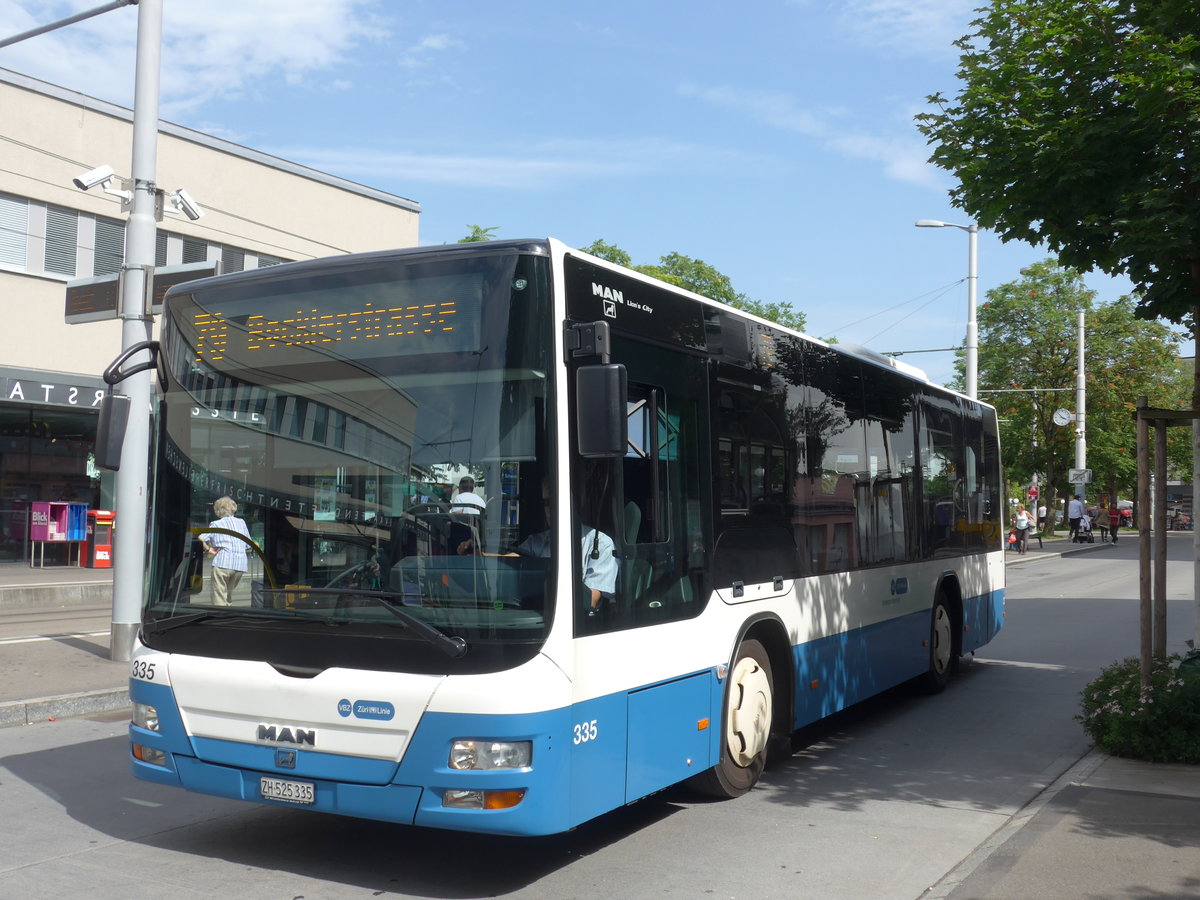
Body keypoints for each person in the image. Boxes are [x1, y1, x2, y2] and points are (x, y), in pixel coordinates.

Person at [516, 493, 617, 616]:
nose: (551, 509)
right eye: (547, 503)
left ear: (574, 504)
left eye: (556, 501)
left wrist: (550, 572)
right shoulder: (535, 542)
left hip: (577, 624)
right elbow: (508, 562)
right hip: (534, 617)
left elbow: (592, 600)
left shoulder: (600, 543)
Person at [199, 496, 252, 606]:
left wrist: (209, 549)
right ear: (233, 508)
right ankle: (228, 615)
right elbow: (248, 546)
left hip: (222, 563)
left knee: (219, 596)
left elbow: (200, 539)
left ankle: (220, 619)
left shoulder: (216, 524)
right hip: (240, 565)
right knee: (228, 595)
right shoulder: (242, 523)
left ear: (218, 511)